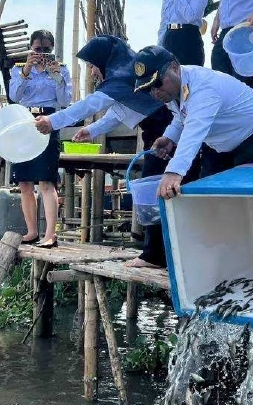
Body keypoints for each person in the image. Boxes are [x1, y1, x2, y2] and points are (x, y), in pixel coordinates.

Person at [34, 35, 173, 265]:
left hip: (165, 132)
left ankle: (155, 256)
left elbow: (88, 105)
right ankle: (161, 254)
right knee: (159, 189)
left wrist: (52, 121)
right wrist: (92, 129)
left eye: (91, 66)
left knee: (155, 191)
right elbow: (119, 111)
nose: (91, 73)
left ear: (101, 60)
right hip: (158, 130)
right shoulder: (127, 71)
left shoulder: (120, 75)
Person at [134, 46, 253, 198]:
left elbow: (194, 130)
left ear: (174, 68)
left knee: (242, 193)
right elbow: (182, 117)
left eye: (157, 83)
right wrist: (170, 138)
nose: (154, 92)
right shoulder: (174, 89)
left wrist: (174, 172)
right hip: (224, 140)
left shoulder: (203, 87)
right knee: (207, 192)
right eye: (147, 89)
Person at [8, 29, 72, 249]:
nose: (42, 53)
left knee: (46, 179)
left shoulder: (61, 69)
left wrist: (57, 77)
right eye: (38, 49)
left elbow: (65, 101)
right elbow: (14, 97)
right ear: (31, 48)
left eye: (46, 50)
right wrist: (26, 70)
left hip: (48, 119)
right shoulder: (18, 69)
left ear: (52, 50)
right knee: (24, 181)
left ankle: (50, 234)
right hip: (24, 120)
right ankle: (31, 231)